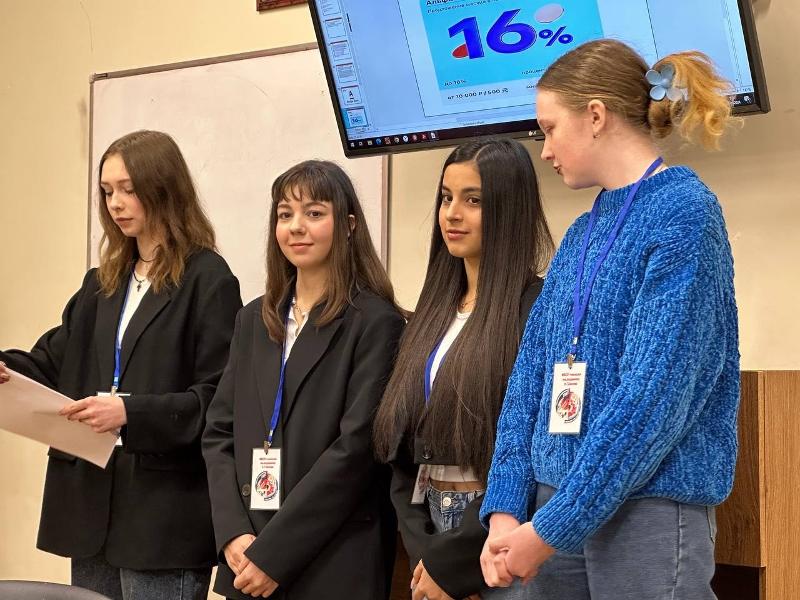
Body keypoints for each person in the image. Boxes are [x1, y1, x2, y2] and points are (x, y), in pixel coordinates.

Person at [479, 39, 740, 600]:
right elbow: (528, 379)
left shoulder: (684, 213)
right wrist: (505, 508)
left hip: (646, 508)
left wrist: (552, 526)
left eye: (549, 129)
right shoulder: (581, 234)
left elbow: (654, 395)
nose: (545, 150)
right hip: (555, 506)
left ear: (595, 116)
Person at [0, 129, 242, 600]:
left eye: (129, 189)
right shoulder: (102, 283)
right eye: (108, 191)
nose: (115, 204)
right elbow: (52, 361)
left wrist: (131, 412)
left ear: (163, 188)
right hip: (91, 507)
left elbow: (216, 397)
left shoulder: (208, 280)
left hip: (162, 514)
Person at [202, 160, 405, 600]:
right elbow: (218, 432)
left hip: (333, 559)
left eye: (314, 213)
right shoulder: (253, 319)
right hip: (246, 554)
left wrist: (273, 555)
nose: (296, 226)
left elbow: (356, 451)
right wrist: (233, 533)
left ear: (348, 225)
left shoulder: (376, 322)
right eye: (285, 214)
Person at [373, 138, 554, 600]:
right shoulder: (429, 314)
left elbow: (532, 455)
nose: (452, 214)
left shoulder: (536, 308)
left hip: (500, 544)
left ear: (509, 209)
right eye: (446, 198)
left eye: (473, 200)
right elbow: (402, 449)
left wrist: (456, 565)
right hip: (428, 539)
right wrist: (427, 557)